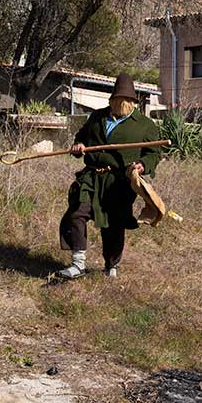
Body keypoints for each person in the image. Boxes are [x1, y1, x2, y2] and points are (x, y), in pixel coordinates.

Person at [57, 72, 162, 279]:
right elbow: (82, 136)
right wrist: (80, 145)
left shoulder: (144, 125)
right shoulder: (97, 117)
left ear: (133, 101)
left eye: (126, 101)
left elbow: (154, 153)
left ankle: (111, 265)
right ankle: (78, 264)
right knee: (77, 213)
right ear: (112, 99)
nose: (121, 104)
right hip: (91, 178)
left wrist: (142, 165)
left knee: (114, 223)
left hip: (119, 182)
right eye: (117, 100)